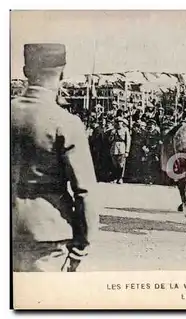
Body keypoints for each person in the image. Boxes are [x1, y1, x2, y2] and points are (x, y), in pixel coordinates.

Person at [11, 43, 99, 272]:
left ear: (25, 71)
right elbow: (85, 191)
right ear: (62, 73)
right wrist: (81, 246)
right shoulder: (66, 123)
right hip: (47, 235)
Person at [109, 117, 131, 184]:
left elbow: (128, 141)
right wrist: (112, 135)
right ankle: (115, 177)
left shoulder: (125, 130)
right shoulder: (113, 130)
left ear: (122, 123)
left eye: (120, 122)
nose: (119, 123)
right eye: (117, 122)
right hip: (114, 147)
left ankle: (120, 178)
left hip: (122, 147)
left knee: (121, 164)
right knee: (114, 164)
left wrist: (127, 151)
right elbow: (109, 140)